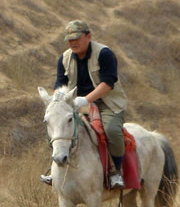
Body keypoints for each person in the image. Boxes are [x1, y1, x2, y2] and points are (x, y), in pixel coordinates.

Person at [41, 20, 128, 189]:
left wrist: (86, 99)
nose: (72, 42)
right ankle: (55, 171)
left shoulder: (104, 54)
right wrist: (57, 100)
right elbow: (60, 83)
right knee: (58, 127)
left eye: (76, 38)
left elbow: (108, 82)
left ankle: (116, 171)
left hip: (107, 102)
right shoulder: (64, 58)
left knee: (111, 130)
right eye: (69, 39)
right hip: (76, 103)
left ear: (88, 36)